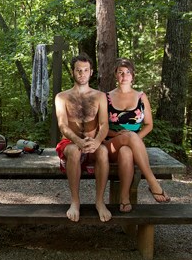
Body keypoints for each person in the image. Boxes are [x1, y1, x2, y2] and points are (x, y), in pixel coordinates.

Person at [104, 58, 171, 213]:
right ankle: (153, 182)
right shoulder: (106, 97)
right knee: (126, 142)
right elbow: (100, 127)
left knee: (126, 151)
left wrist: (134, 140)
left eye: (127, 72)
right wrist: (120, 135)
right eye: (120, 72)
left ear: (133, 75)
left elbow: (149, 125)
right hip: (110, 144)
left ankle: (124, 198)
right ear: (115, 75)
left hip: (132, 146)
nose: (124, 75)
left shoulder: (141, 97)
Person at [55, 54, 111, 222]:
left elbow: (104, 124)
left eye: (86, 70)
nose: (82, 73)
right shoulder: (62, 97)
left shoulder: (100, 96)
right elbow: (62, 125)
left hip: (94, 141)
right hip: (71, 142)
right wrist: (78, 141)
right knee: (74, 151)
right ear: (73, 72)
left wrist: (97, 141)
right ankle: (75, 202)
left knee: (102, 152)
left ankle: (99, 202)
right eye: (78, 70)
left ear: (91, 72)